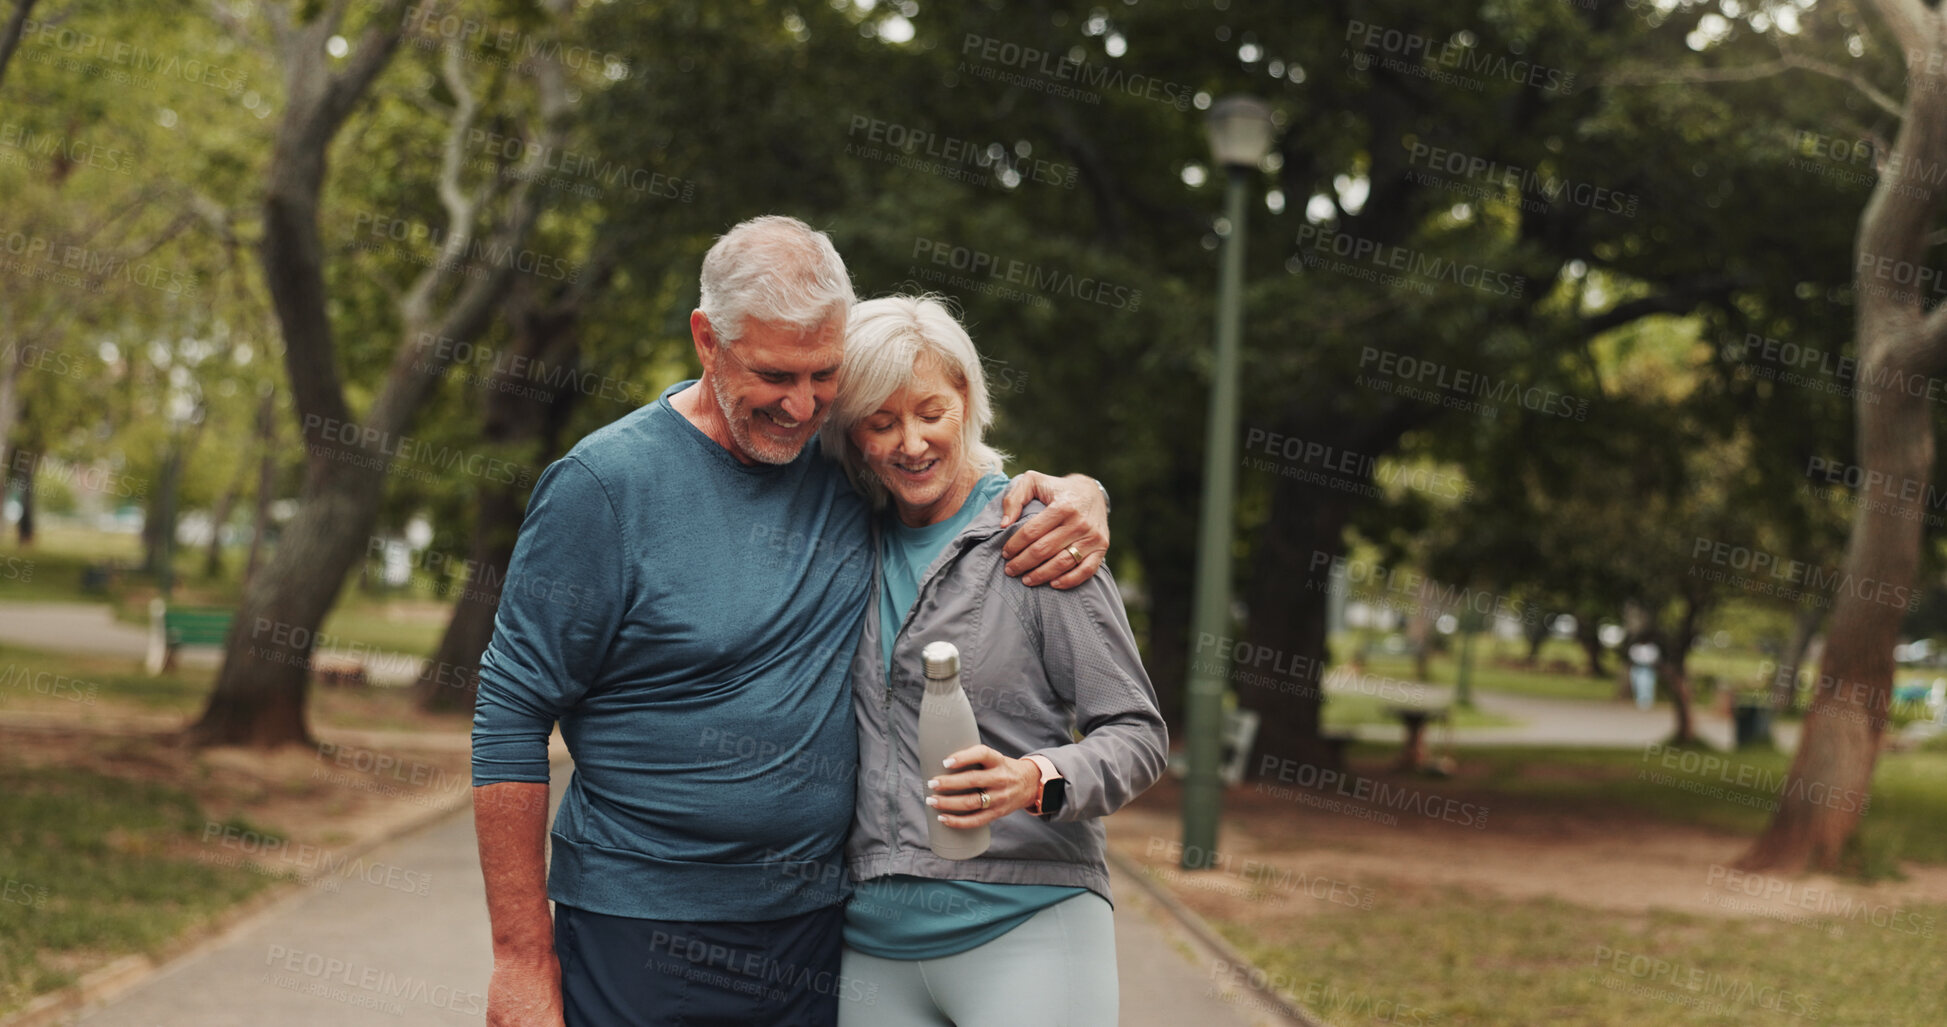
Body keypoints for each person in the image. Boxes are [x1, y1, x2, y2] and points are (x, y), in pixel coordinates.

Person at [470, 217, 1113, 1027]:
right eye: (774, 375)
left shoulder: (843, 460)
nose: (801, 405)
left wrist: (1080, 493)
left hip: (812, 931)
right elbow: (510, 709)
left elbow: (948, 469)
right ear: (707, 340)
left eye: (824, 375)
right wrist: (519, 957)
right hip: (639, 925)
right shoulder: (603, 487)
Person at [820, 295, 1168, 1027]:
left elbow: (1136, 734)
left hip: (1028, 922)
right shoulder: (844, 539)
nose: (911, 443)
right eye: (880, 422)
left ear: (967, 400)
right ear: (851, 432)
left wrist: (1033, 778)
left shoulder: (1039, 539)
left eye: (931, 412)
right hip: (872, 942)